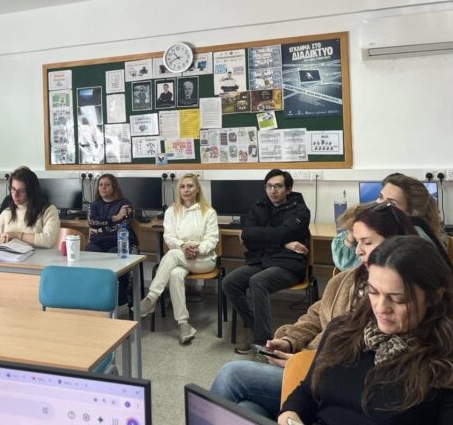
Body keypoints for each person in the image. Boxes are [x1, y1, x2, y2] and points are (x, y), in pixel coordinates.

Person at [211, 201, 448, 419]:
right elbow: (316, 316)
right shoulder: (346, 301)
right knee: (245, 409)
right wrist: (291, 342)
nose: (380, 307)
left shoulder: (435, 365)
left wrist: (302, 361)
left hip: (313, 365)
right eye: (373, 292)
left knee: (233, 377)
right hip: (319, 370)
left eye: (367, 242)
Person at [279, 236, 453, 424]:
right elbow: (307, 392)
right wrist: (290, 415)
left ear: (434, 297)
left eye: (398, 299)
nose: (381, 307)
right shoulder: (341, 330)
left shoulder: (444, 362)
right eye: (373, 292)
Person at [222, 169, 311, 353]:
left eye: (278, 186)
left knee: (258, 281)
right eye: (269, 186)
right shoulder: (259, 207)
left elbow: (274, 233)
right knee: (229, 282)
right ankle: (258, 329)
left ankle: (262, 344)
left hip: (288, 265)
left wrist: (263, 236)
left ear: (288, 189)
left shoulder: (301, 211)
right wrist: (285, 243)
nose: (273, 191)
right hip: (262, 260)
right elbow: (248, 237)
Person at [138, 173, 218, 344]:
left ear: (197, 189)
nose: (186, 190)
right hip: (182, 257)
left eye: (190, 186)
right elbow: (169, 237)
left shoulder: (208, 212)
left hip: (204, 260)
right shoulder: (171, 211)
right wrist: (183, 246)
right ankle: (184, 324)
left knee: (172, 254)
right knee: (175, 274)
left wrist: (197, 250)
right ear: (178, 190)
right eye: (182, 186)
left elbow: (212, 240)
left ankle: (151, 298)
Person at [333, 172, 448, 270]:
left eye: (391, 203)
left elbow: (348, 264)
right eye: (380, 197)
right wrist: (351, 236)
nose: (379, 205)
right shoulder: (392, 226)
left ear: (412, 212)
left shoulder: (413, 241)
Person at [0, 167, 60, 247]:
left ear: (31, 191)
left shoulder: (48, 210)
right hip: (9, 257)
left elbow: (48, 240)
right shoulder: (7, 213)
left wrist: (16, 235)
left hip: (38, 257)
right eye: (13, 189)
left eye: (21, 191)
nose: (15, 195)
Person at [87, 174, 136, 305]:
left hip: (119, 242)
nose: (103, 187)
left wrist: (100, 230)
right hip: (98, 242)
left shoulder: (125, 204)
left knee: (114, 258)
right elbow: (92, 222)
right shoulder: (94, 205)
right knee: (89, 252)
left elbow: (123, 227)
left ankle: (119, 299)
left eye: (107, 185)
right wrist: (115, 217)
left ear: (114, 187)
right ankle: (95, 296)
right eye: (100, 185)